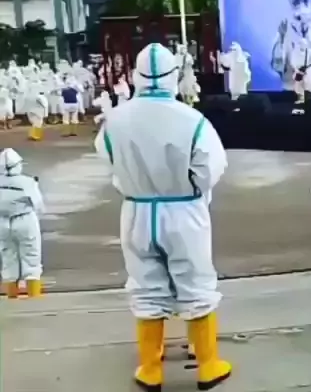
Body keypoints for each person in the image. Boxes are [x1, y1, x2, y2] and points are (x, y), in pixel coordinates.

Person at [94, 42, 231, 391]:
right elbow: (210, 168)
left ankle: (151, 369)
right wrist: (190, 188)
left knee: (145, 286)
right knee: (196, 284)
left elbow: (107, 159)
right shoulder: (193, 120)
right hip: (184, 210)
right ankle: (207, 365)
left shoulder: (115, 120)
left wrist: (133, 182)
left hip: (137, 210)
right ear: (174, 76)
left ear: (137, 76)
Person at [0, 148, 45, 299]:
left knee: (8, 258)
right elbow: (39, 204)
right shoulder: (27, 182)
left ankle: (12, 297)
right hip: (25, 219)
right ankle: (34, 297)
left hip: (2, 222)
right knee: (31, 256)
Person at [289, 37, 311, 104]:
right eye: (302, 44)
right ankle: (301, 98)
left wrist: (308, 69)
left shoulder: (309, 52)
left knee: (308, 82)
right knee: (298, 84)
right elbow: (292, 63)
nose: (303, 45)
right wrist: (297, 70)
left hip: (307, 70)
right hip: (298, 70)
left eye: (305, 44)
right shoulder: (295, 52)